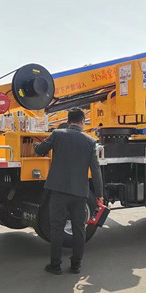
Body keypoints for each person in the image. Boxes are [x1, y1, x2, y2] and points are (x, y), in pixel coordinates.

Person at [35, 108, 103, 275]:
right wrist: (99, 194)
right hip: (80, 192)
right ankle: (76, 265)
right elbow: (96, 170)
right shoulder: (90, 141)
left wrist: (36, 145)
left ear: (68, 120)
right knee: (79, 229)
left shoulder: (57, 134)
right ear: (82, 121)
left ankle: (55, 265)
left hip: (58, 191)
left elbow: (40, 150)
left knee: (56, 227)